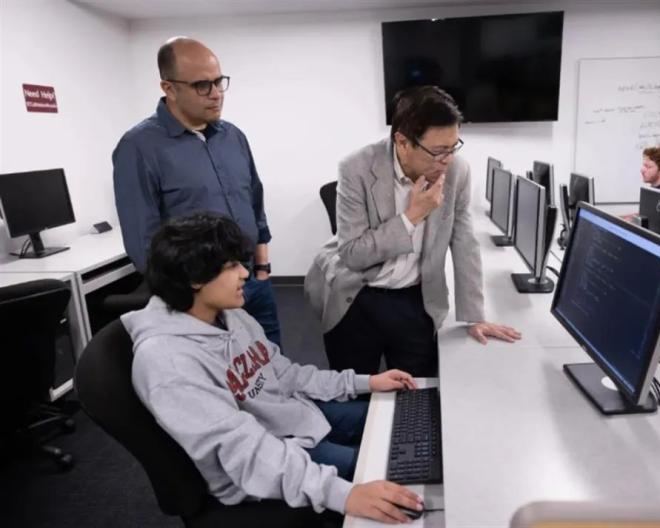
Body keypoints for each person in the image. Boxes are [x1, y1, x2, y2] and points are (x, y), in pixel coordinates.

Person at [124, 212, 424, 524]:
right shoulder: (168, 362)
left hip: (288, 419)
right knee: (391, 481)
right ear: (195, 278)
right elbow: (243, 452)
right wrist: (345, 494)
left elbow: (284, 374)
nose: (245, 273)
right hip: (263, 461)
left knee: (396, 417)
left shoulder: (229, 315)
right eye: (231, 266)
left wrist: (365, 382)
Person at [305, 85, 521, 377]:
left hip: (415, 297)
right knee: (353, 391)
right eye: (438, 151)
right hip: (356, 295)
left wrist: (473, 317)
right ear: (402, 142)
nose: (447, 160)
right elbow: (353, 254)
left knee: (418, 391)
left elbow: (464, 242)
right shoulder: (356, 167)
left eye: (454, 147)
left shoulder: (457, 171)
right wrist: (412, 216)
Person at [112, 36, 282, 347]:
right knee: (222, 384)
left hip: (251, 282)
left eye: (219, 82)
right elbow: (143, 244)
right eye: (202, 85)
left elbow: (255, 205)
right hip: (196, 300)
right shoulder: (138, 147)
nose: (216, 94)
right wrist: (191, 298)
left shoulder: (233, 137)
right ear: (169, 88)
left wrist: (262, 270)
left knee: (273, 369)